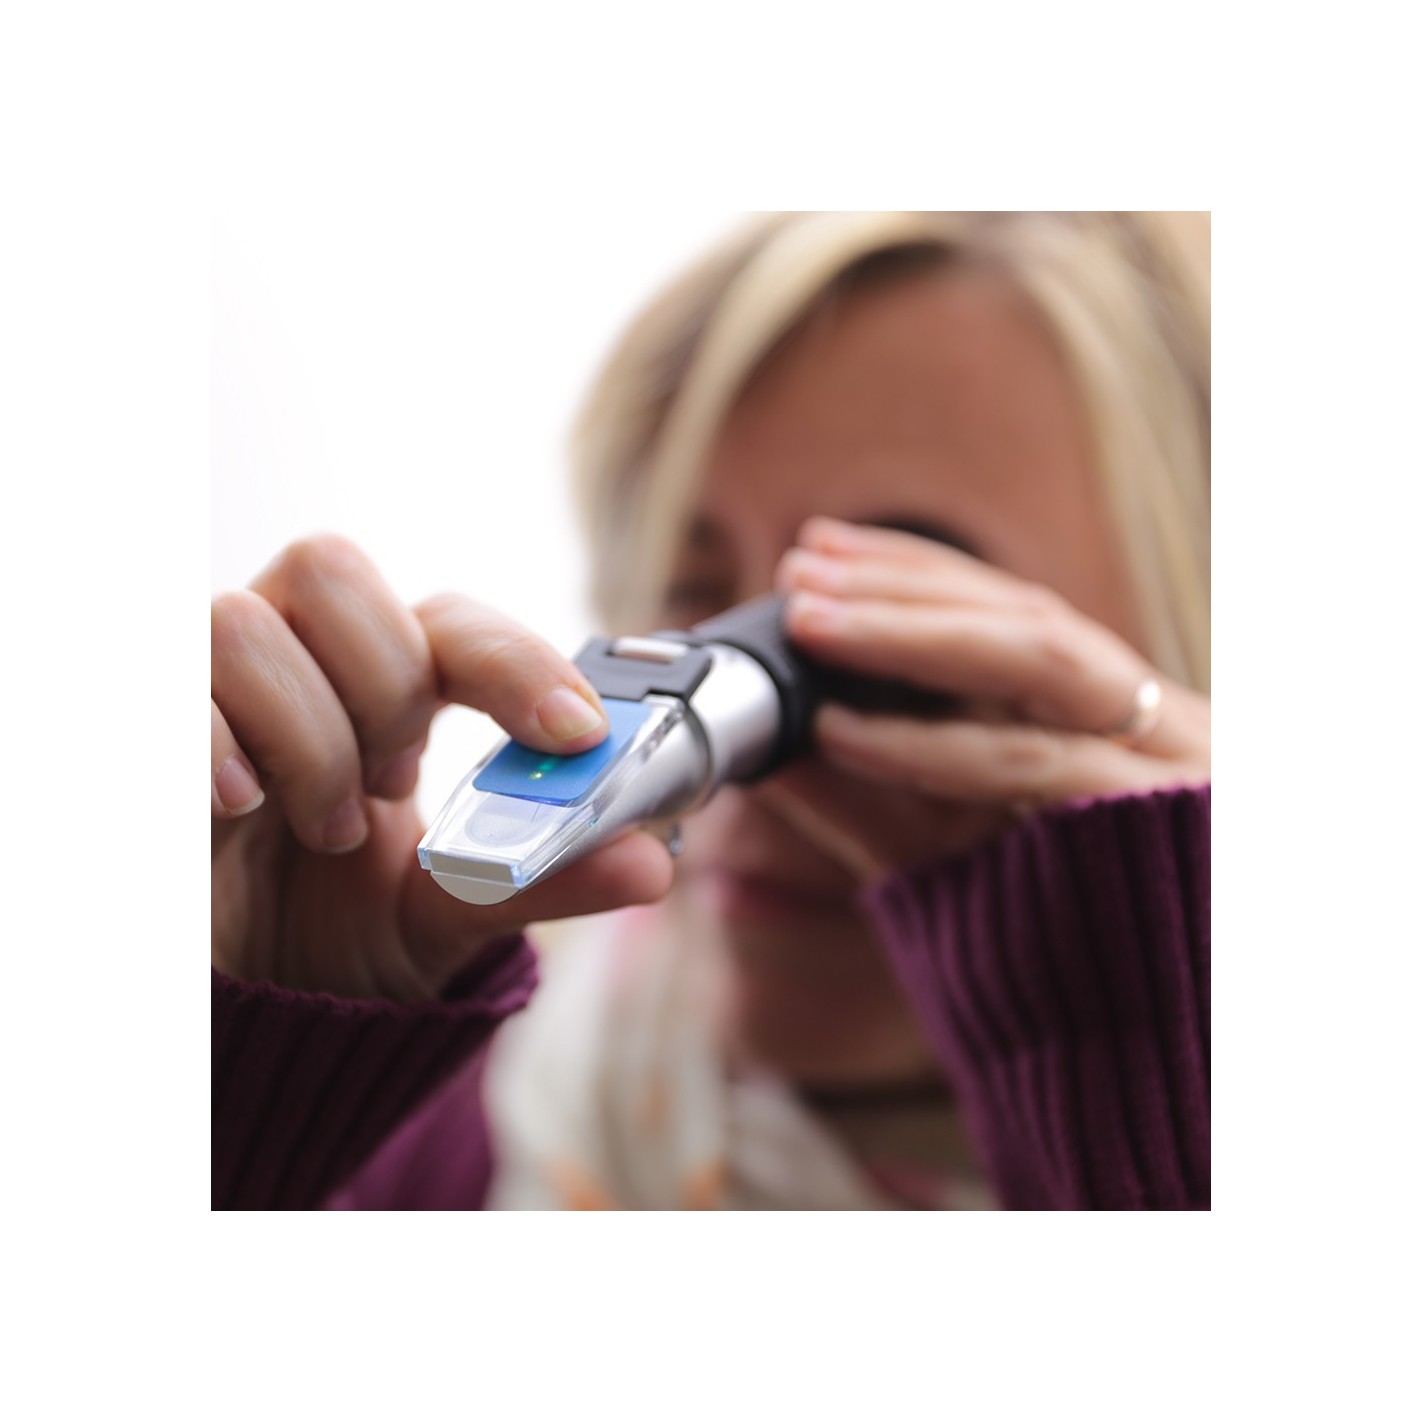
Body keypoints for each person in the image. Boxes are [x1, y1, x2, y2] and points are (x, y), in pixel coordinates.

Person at [212, 211, 1210, 1210]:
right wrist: (254, 1068)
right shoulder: (437, 1127)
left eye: (901, 615)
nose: (742, 747)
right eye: (692, 594)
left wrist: (1164, 1067)